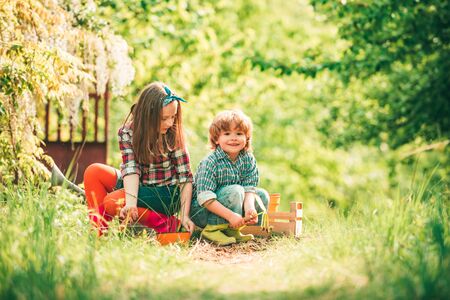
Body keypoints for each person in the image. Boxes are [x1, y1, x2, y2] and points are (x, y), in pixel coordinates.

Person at [83, 82, 195, 236]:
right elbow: (131, 169)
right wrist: (130, 203)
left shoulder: (173, 134)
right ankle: (100, 235)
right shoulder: (127, 132)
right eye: (164, 119)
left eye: (173, 117)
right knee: (94, 172)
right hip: (139, 185)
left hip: (165, 194)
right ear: (147, 115)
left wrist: (184, 215)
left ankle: (167, 224)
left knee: (111, 202)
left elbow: (185, 178)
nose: (170, 123)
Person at [190, 109, 269, 245]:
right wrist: (231, 216)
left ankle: (232, 230)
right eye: (227, 134)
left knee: (261, 195)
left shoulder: (248, 159)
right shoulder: (210, 162)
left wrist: (250, 207)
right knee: (236, 190)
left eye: (239, 133)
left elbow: (249, 187)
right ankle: (211, 231)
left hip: (231, 207)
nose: (233, 138)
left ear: (247, 138)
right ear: (216, 138)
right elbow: (204, 198)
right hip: (203, 212)